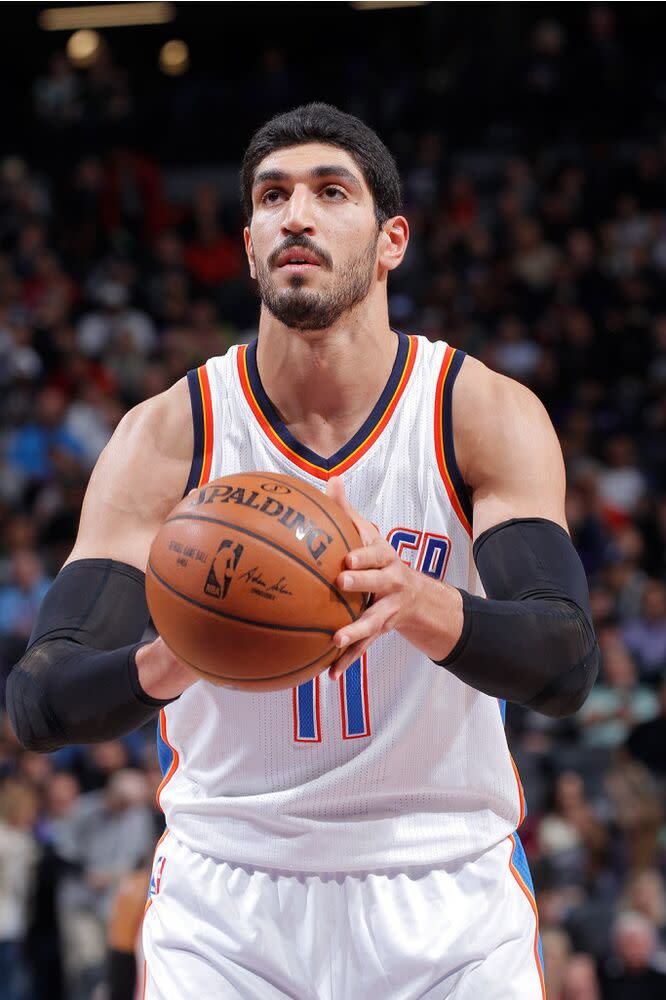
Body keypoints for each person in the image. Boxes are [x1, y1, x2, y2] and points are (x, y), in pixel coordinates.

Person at [6, 104, 599, 999]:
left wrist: (419, 600)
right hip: (227, 900)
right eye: (272, 197)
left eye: (331, 192)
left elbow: (564, 662)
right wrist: (169, 658)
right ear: (248, 246)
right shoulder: (171, 434)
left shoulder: (474, 411)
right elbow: (40, 697)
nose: (297, 215)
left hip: (442, 886)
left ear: (392, 238)